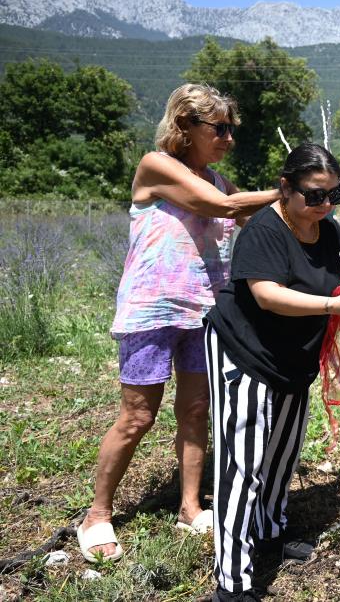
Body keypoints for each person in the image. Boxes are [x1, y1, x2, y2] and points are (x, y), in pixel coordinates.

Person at [77, 84, 279, 563]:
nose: (228, 137)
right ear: (185, 126)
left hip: (205, 309)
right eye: (219, 128)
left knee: (194, 410)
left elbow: (253, 221)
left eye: (232, 128)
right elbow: (222, 207)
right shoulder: (157, 166)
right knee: (138, 415)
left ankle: (190, 506)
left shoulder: (220, 180)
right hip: (152, 308)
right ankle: (97, 515)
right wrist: (285, 188)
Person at [204, 143, 340, 601]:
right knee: (243, 462)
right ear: (285, 188)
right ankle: (232, 583)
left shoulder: (324, 228)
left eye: (335, 194)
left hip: (292, 358)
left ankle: (268, 531)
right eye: (314, 195)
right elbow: (267, 294)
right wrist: (333, 304)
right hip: (245, 351)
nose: (325, 205)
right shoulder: (265, 230)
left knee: (282, 452)